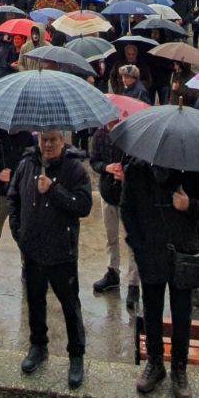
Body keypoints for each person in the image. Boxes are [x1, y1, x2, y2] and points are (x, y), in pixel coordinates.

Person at [103, 156, 199, 398]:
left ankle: (179, 368)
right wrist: (138, 246)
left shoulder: (189, 170)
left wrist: (189, 206)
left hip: (182, 253)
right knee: (151, 312)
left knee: (181, 314)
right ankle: (155, 362)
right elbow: (127, 210)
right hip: (150, 253)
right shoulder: (136, 171)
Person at [9, 128, 93, 389]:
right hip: (32, 250)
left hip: (61, 252)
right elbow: (14, 199)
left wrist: (53, 189)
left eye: (52, 140)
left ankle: (76, 355)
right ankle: (38, 346)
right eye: (43, 140)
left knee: (69, 304)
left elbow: (84, 206)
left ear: (62, 141)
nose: (47, 145)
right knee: (34, 300)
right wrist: (19, 233)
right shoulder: (26, 164)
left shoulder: (74, 169)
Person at [87, 113, 134, 300]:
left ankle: (134, 282)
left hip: (128, 195)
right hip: (108, 192)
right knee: (110, 236)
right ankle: (112, 271)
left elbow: (139, 163)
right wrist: (106, 168)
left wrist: (126, 173)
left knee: (132, 239)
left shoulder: (130, 133)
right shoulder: (99, 135)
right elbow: (94, 161)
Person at [0, 127, 31, 295]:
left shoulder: (28, 137)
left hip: (21, 194)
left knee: (24, 233)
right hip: (0, 195)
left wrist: (16, 174)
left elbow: (33, 164)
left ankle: (27, 269)